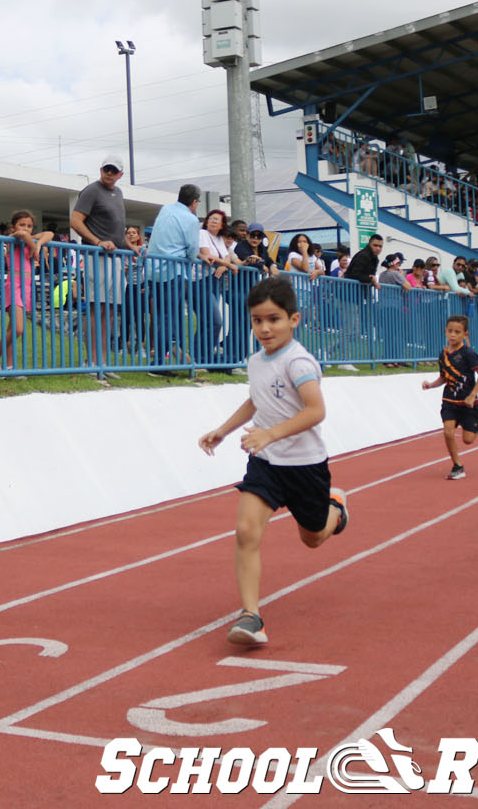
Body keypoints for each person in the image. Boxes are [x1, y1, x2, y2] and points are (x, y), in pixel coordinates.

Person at [197, 275, 348, 646]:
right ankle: (251, 616)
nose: (264, 328)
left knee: (313, 538)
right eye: (257, 320)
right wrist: (224, 430)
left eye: (274, 319)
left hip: (305, 465)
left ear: (294, 320)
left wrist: (270, 433)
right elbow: (257, 400)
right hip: (265, 462)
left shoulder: (299, 362)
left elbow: (315, 411)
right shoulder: (256, 360)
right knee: (246, 531)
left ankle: (336, 509)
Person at [69, 155, 131, 365]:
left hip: (115, 258)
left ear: (120, 174)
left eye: (113, 170)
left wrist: (131, 246)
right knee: (98, 309)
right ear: (101, 170)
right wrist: (97, 242)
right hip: (97, 257)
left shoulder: (118, 192)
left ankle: (102, 362)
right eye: (106, 169)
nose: (109, 173)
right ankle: (92, 361)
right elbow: (75, 221)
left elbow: (117, 229)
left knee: (110, 311)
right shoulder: (91, 191)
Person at [421, 314, 478, 480]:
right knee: (448, 432)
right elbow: (443, 377)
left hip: (468, 403)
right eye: (450, 331)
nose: (453, 335)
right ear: (445, 331)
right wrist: (431, 385)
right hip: (449, 401)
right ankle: (457, 466)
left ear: (465, 334)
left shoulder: (469, 353)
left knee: (468, 440)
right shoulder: (442, 355)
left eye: (457, 332)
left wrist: (472, 395)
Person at [145, 183, 202, 365]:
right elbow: (193, 249)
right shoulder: (191, 219)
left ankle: (171, 356)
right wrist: (191, 257)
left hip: (154, 269)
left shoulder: (166, 209)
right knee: (168, 318)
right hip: (173, 270)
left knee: (162, 316)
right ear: (194, 202)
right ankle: (159, 362)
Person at [0, 209, 52, 369]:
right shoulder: (13, 239)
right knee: (18, 329)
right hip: (14, 285)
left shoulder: (30, 240)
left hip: (27, 286)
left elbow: (49, 234)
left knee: (12, 328)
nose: (26, 228)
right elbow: (22, 235)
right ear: (13, 227)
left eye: (29, 226)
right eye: (22, 224)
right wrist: (35, 246)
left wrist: (37, 245)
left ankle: (9, 366)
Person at [196, 207, 242, 363]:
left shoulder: (219, 239)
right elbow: (207, 255)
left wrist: (224, 266)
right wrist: (227, 265)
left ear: (222, 224)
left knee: (207, 322)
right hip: (201, 280)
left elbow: (227, 256)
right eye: (211, 218)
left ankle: (201, 357)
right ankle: (203, 356)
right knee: (215, 321)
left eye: (217, 219)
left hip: (215, 280)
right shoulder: (203, 234)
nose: (213, 221)